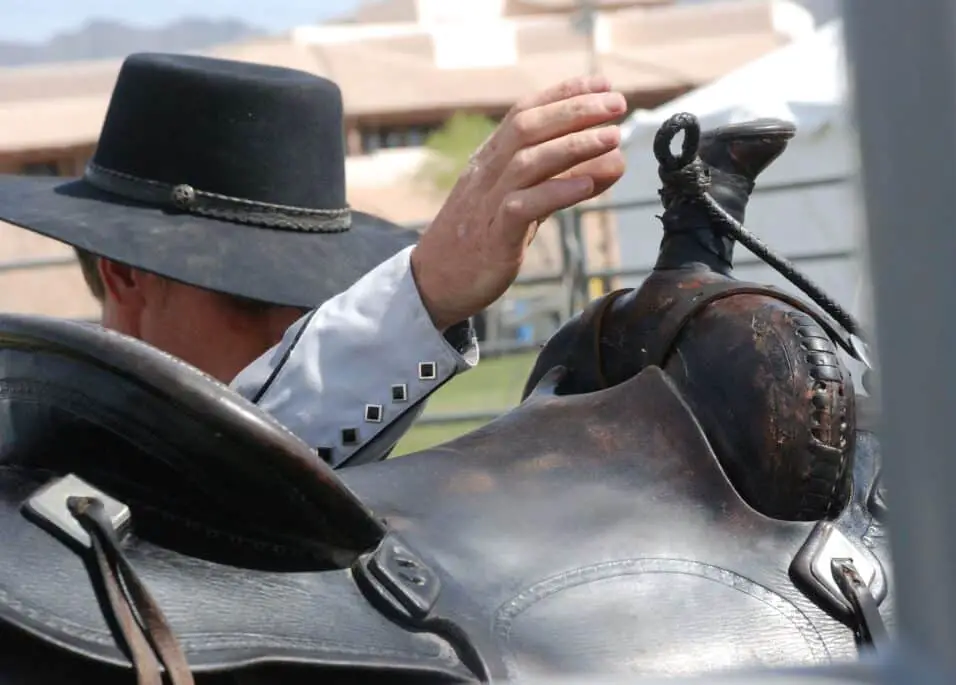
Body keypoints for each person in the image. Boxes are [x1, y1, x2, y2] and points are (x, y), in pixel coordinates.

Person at [0, 52, 626, 466]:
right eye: (252, 296)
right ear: (125, 275)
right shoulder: (37, 459)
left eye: (322, 297)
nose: (295, 335)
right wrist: (421, 293)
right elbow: (187, 484)